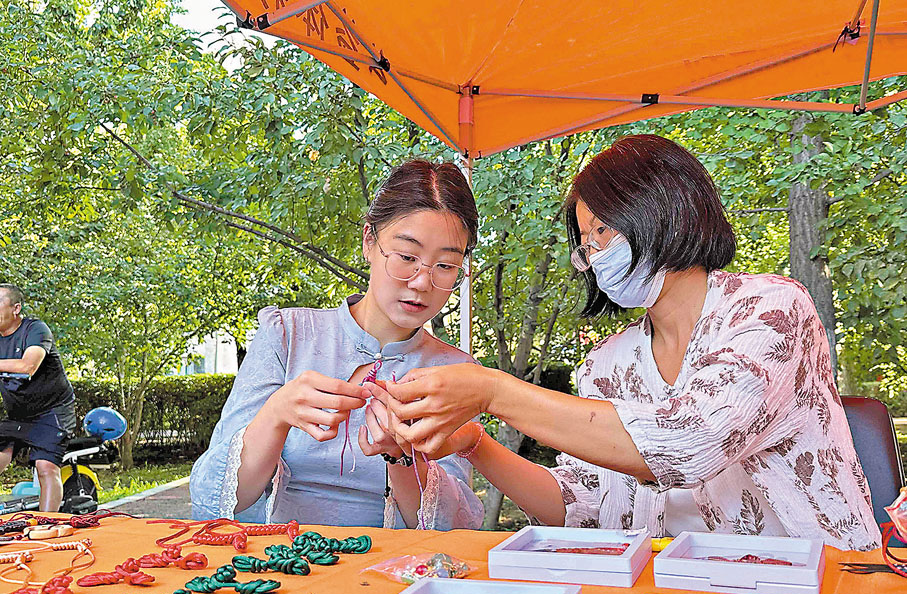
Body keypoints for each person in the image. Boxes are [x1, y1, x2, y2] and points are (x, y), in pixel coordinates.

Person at [369, 135, 881, 551]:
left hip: (819, 583)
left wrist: (492, 390)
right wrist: (475, 443)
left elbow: (691, 442)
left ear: (665, 209)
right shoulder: (607, 364)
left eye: (603, 232)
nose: (593, 255)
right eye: (585, 244)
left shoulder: (771, 310)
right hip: (675, 593)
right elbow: (582, 508)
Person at [190, 159, 484, 530]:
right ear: (369, 241)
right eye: (407, 257)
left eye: (445, 265)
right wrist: (277, 413)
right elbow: (211, 502)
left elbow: (451, 531)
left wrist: (402, 457)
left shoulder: (458, 374)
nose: (422, 282)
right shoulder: (286, 334)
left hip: (395, 563)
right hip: (277, 557)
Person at [0, 284, 77, 512]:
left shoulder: (35, 330)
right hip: (18, 413)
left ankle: (47, 523)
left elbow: (28, 366)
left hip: (52, 411)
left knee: (46, 467)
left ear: (15, 308)